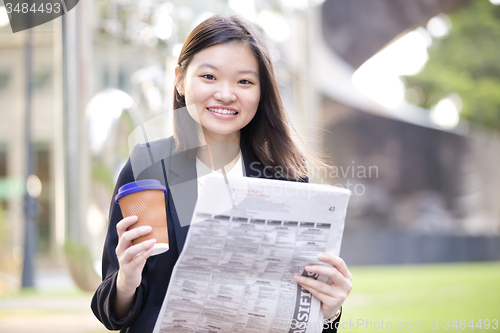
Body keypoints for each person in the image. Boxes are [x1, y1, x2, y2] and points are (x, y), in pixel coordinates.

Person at [91, 15, 352, 333]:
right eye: (209, 76)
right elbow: (111, 312)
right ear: (179, 79)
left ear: (261, 91)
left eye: (244, 81)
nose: (226, 94)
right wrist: (126, 281)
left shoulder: (287, 176)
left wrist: (330, 311)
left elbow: (305, 314)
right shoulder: (150, 166)